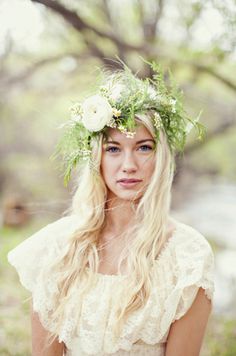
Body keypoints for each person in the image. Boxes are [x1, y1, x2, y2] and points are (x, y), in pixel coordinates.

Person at [8, 61, 214, 356]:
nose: (128, 166)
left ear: (161, 157)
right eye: (113, 149)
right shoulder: (56, 247)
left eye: (144, 147)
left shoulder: (187, 256)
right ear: (96, 158)